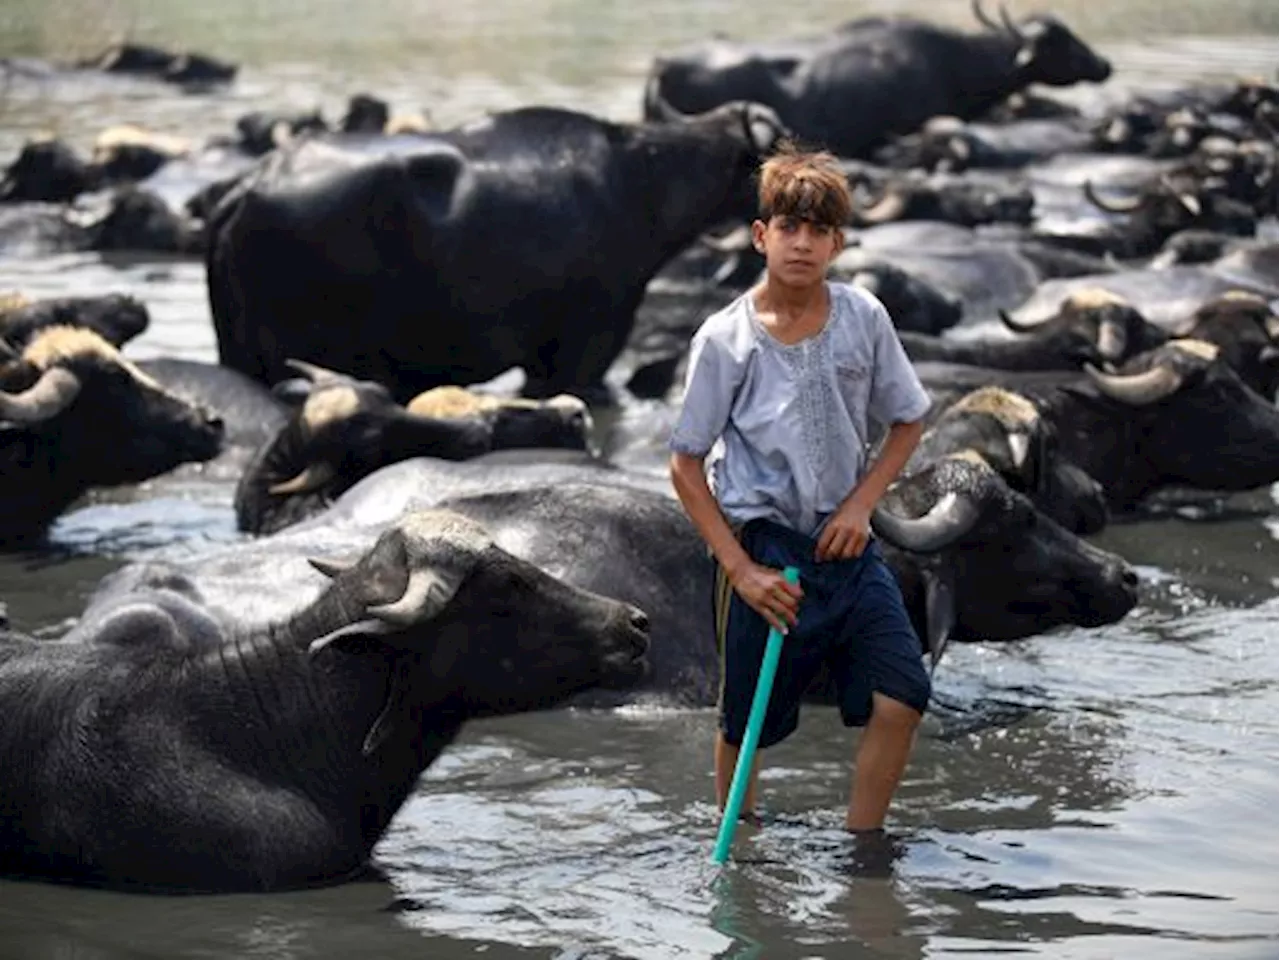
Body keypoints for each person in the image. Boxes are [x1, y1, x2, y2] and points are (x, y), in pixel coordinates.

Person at [667, 144, 933, 833]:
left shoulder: (863, 317)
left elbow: (909, 419)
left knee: (904, 692)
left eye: (819, 232)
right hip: (767, 549)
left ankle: (863, 841)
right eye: (789, 228)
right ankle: (743, 842)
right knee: (744, 723)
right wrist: (742, 571)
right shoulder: (726, 340)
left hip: (846, 547)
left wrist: (862, 503)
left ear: (838, 244)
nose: (803, 244)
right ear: (761, 237)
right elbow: (685, 463)